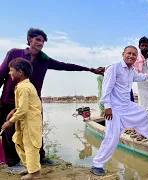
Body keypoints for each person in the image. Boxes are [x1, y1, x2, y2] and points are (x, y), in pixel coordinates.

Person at [0, 28, 104, 173]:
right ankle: (12, 163)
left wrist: (90, 69)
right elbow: (1, 75)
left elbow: (65, 66)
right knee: (10, 132)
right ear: (29, 39)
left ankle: (40, 157)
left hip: (33, 102)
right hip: (10, 100)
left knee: (36, 129)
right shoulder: (14, 53)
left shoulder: (44, 60)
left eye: (43, 41)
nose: (40, 43)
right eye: (37, 40)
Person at [90, 46, 148, 176]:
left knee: (142, 113)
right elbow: (106, 88)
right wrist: (107, 106)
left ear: (136, 57)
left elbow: (139, 77)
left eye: (134, 55)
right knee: (112, 138)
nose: (131, 56)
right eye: (129, 53)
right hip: (114, 108)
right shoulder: (114, 68)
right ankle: (97, 164)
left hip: (126, 105)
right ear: (123, 54)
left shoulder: (131, 70)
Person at [2, 58, 42, 180]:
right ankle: (30, 167)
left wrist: (9, 122)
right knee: (19, 142)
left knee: (30, 147)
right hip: (24, 121)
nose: (9, 73)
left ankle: (35, 173)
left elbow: (24, 110)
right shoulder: (22, 86)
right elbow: (23, 106)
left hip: (30, 122)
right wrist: (13, 111)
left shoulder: (24, 87)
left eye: (11, 70)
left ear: (20, 72)